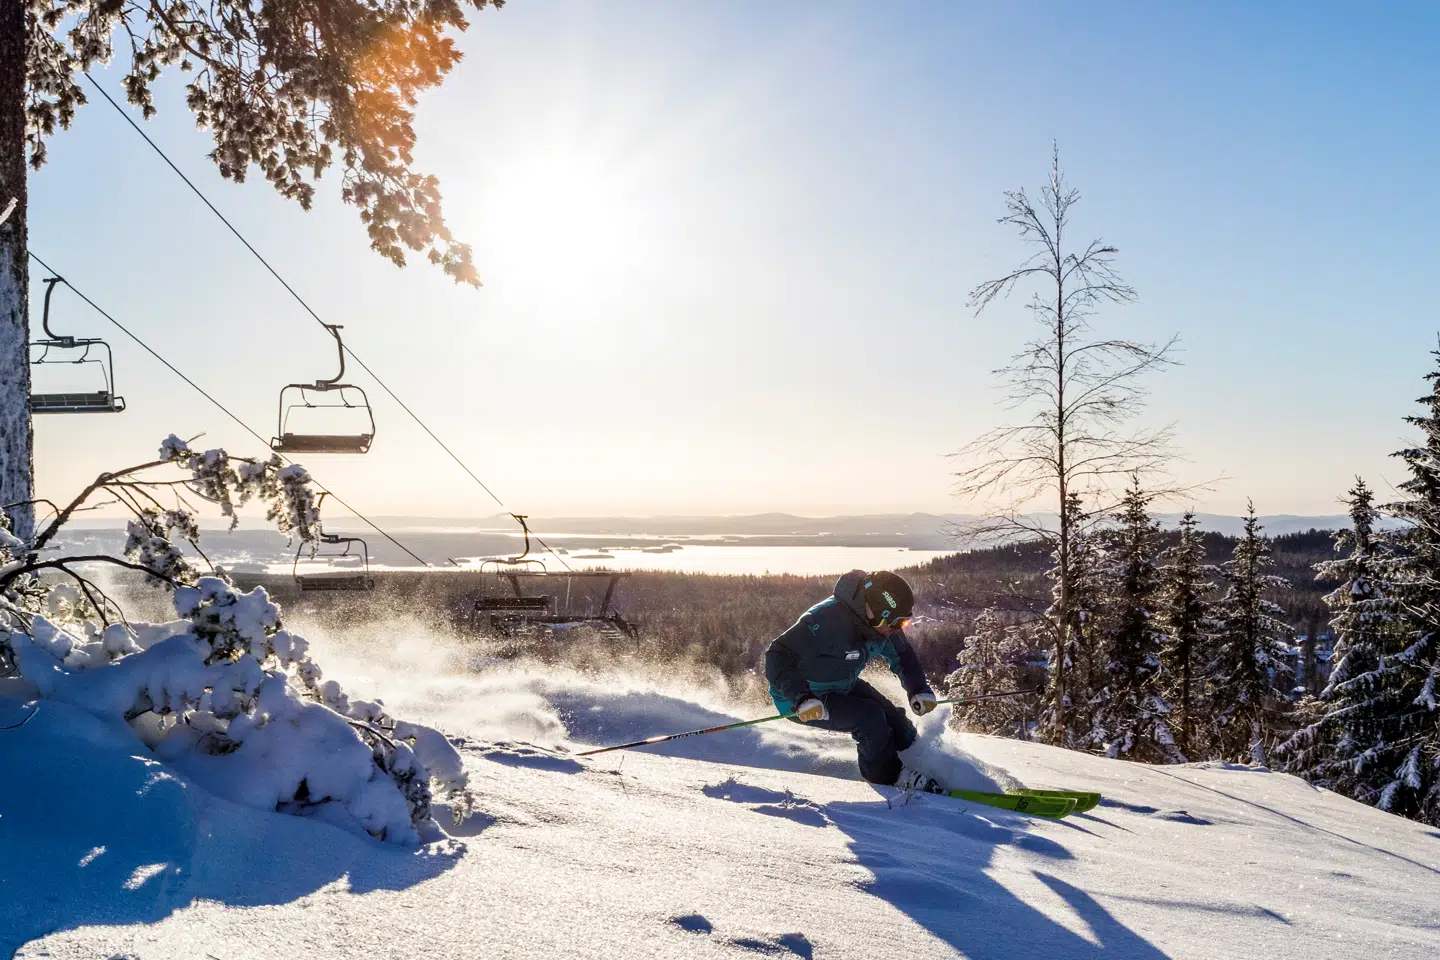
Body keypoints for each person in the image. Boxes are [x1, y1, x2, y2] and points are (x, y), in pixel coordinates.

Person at [764, 569, 943, 792]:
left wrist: (918, 689)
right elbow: (777, 655)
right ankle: (888, 778)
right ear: (876, 611)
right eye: (895, 622)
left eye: (903, 623)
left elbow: (903, 656)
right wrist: (801, 697)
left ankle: (920, 762)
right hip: (803, 696)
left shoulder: (881, 626)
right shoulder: (825, 621)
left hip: (842, 684)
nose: (896, 629)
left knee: (896, 721)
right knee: (869, 718)